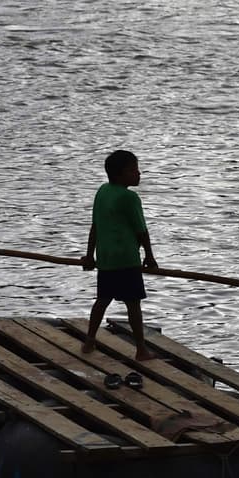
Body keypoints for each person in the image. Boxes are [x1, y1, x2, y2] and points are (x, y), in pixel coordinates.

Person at [81, 149, 158, 360]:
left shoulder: (103, 191)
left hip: (106, 258)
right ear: (119, 174)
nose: (138, 174)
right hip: (126, 259)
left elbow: (95, 226)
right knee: (133, 304)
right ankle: (141, 349)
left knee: (102, 300)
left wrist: (90, 255)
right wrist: (150, 256)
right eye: (133, 170)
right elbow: (141, 231)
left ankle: (89, 341)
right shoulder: (129, 197)